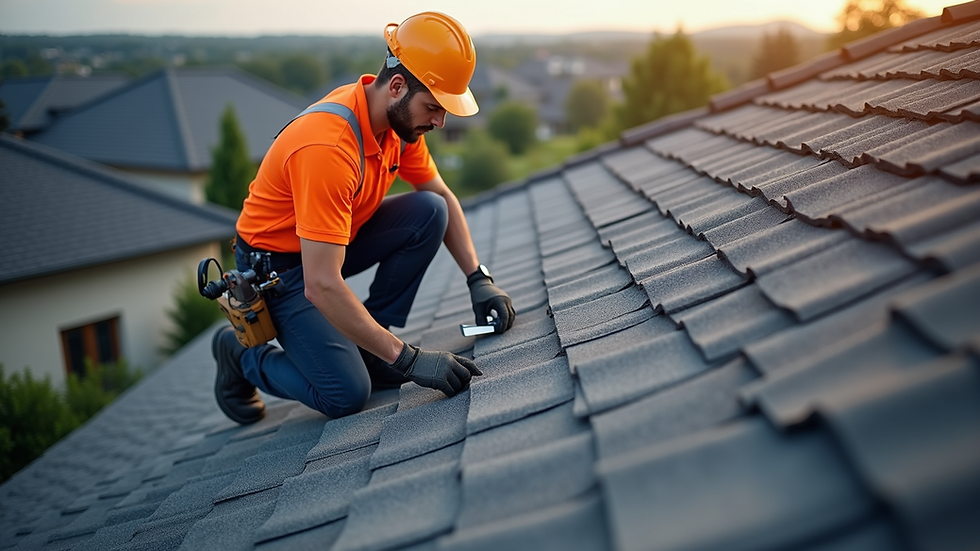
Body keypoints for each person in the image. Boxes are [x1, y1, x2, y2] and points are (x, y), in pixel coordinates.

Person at [211, 11, 515, 425]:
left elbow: (441, 194)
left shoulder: (397, 126)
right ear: (396, 86)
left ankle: (373, 347)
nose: (440, 122)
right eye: (433, 107)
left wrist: (480, 279)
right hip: (282, 268)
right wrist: (409, 360)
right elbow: (321, 283)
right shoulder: (329, 149)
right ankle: (241, 356)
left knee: (430, 210)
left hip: (331, 243)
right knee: (345, 393)